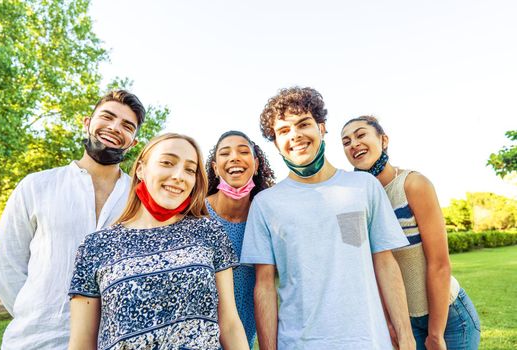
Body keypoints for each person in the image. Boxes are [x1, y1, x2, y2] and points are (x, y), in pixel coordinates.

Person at [240, 87, 416, 349]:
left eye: (304, 124)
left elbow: (385, 262)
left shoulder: (362, 187)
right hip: (298, 343)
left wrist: (406, 336)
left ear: (321, 128)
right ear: (276, 143)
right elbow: (264, 286)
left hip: (368, 341)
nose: (296, 135)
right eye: (284, 131)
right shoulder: (266, 204)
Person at [0, 90, 145, 350]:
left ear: (133, 142)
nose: (114, 127)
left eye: (126, 126)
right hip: (34, 342)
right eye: (107, 117)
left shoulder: (140, 199)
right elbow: (7, 267)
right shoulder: (36, 186)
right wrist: (39, 313)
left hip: (114, 343)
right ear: (87, 122)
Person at [68, 133, 249, 350]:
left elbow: (229, 325)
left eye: (189, 170)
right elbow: (81, 344)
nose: (179, 176)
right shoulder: (96, 246)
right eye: (167, 163)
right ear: (141, 169)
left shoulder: (209, 232)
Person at [341, 116, 481, 350]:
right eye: (346, 141)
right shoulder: (349, 199)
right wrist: (388, 322)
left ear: (383, 140)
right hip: (401, 323)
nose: (353, 143)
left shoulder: (414, 184)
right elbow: (361, 268)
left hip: (448, 319)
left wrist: (435, 334)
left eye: (361, 134)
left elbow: (439, 263)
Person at [205, 130, 276, 349]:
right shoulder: (196, 213)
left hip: (244, 340)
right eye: (225, 153)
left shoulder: (267, 218)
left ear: (255, 165)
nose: (234, 157)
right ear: (216, 168)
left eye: (243, 151)